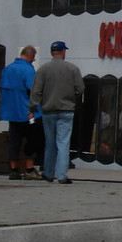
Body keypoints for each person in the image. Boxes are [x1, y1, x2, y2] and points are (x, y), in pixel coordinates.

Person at [30, 40, 83, 184]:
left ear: (52, 52)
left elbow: (36, 91)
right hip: (66, 110)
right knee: (63, 143)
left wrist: (33, 107)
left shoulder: (43, 69)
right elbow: (80, 89)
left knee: (50, 143)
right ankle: (62, 176)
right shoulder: (73, 69)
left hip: (48, 110)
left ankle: (48, 173)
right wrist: (72, 98)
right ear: (63, 52)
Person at [0, 45, 41, 180]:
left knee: (14, 140)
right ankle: (29, 169)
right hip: (26, 112)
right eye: (33, 58)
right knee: (30, 140)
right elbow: (33, 91)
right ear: (31, 56)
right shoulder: (28, 70)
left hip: (11, 111)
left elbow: (1, 90)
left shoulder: (7, 69)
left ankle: (13, 169)